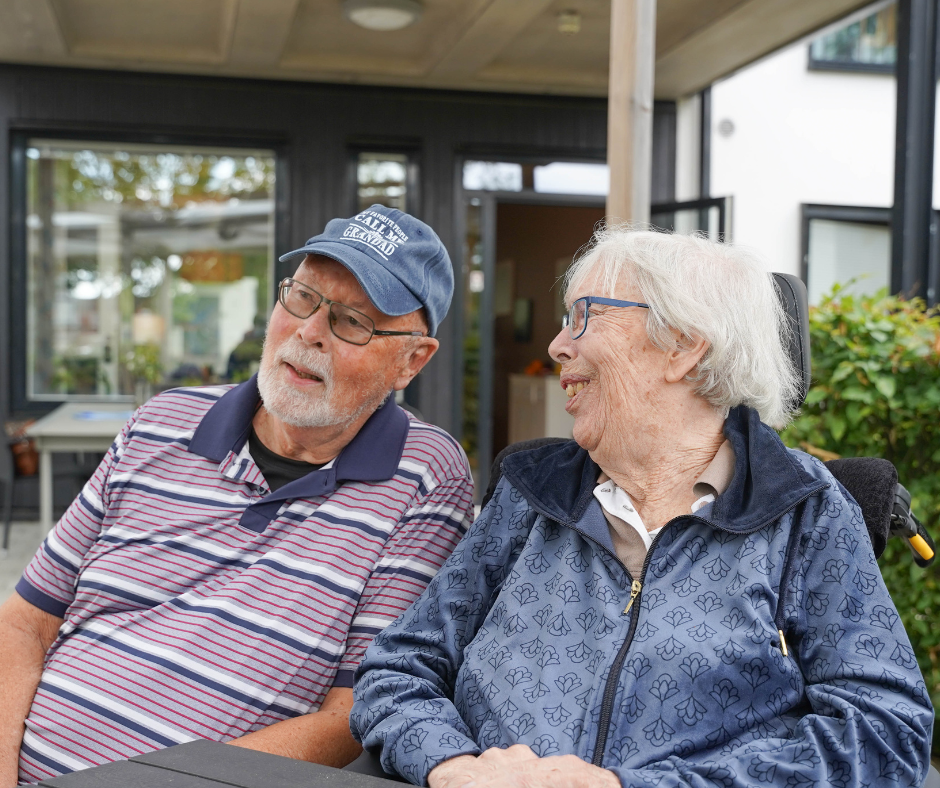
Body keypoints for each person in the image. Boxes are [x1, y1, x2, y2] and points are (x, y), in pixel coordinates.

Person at [351, 228, 934, 787]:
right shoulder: (530, 490)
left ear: (683, 345)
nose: (557, 345)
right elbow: (398, 668)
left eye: (584, 316)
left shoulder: (805, 511)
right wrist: (455, 767)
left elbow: (885, 735)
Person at [0, 205, 474, 786]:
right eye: (302, 296)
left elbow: (355, 709)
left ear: (412, 360)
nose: (309, 332)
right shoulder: (161, 421)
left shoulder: (424, 476)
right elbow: (26, 621)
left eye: (352, 320)